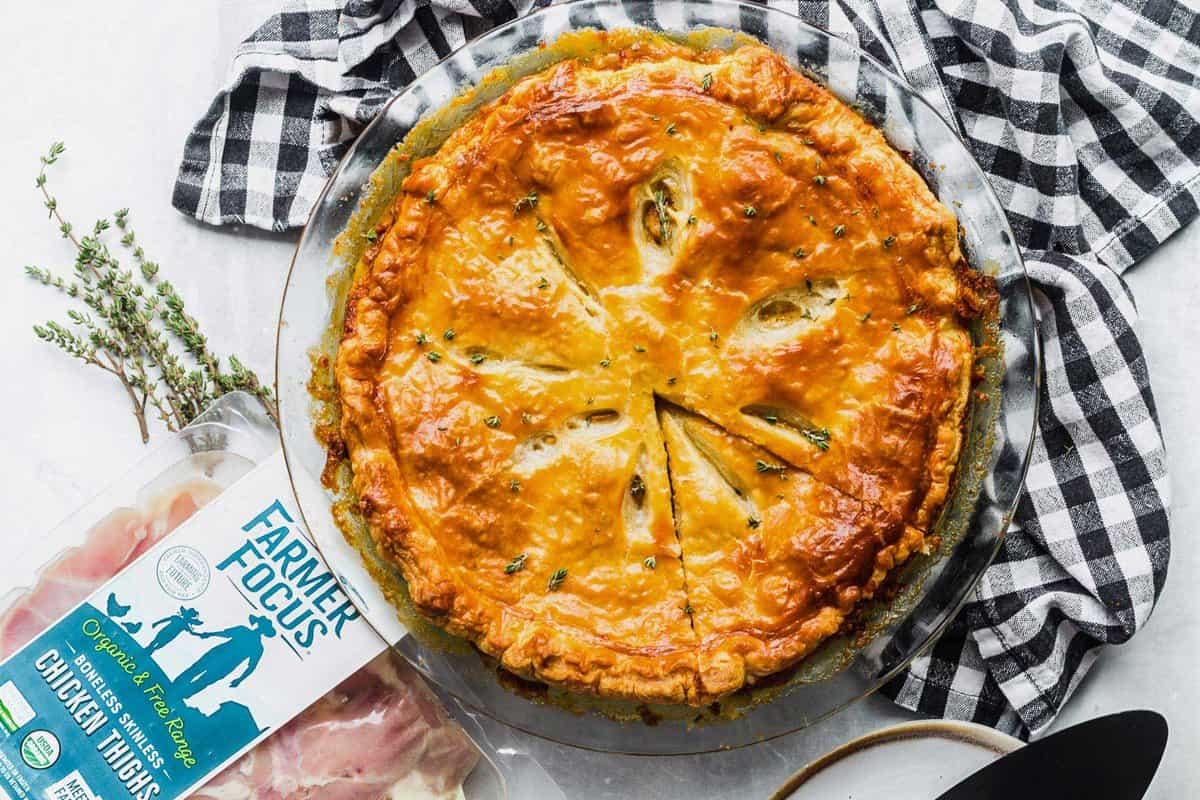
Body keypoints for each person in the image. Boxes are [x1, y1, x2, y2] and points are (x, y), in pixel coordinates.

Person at [173, 615, 276, 699]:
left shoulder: (252, 640)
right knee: (200, 676)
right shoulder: (256, 644)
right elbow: (225, 633)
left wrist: (240, 679)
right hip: (221, 659)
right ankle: (177, 692)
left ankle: (178, 693)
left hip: (221, 659)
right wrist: (240, 679)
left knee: (199, 675)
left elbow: (251, 666)